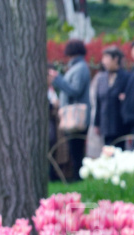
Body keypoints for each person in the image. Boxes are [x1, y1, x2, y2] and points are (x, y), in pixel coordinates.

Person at [49, 40, 92, 178]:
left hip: (77, 116)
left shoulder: (80, 68)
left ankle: (77, 177)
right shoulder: (78, 67)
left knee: (76, 149)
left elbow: (75, 90)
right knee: (74, 149)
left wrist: (57, 79)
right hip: (73, 116)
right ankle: (76, 176)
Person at [92, 47, 128, 150]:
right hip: (105, 124)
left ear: (115, 59)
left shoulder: (126, 77)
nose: (103, 61)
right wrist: (97, 123)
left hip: (120, 124)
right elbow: (98, 102)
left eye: (106, 58)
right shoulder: (101, 78)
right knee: (107, 152)